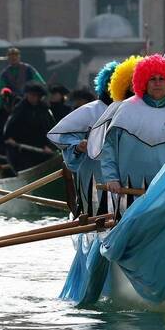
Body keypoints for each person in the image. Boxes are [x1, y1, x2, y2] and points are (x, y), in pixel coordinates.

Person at [100, 54, 165, 199]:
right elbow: (110, 147)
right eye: (152, 79)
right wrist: (111, 178)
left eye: (162, 78)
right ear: (144, 81)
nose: (157, 83)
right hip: (128, 192)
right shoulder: (127, 108)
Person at [48, 60, 117, 216]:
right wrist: (78, 145)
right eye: (112, 82)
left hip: (127, 178)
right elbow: (64, 136)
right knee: (96, 207)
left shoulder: (134, 109)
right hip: (94, 175)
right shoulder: (90, 111)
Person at [3, 82, 57, 172]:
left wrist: (49, 146)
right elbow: (9, 129)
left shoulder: (45, 109)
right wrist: (10, 138)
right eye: (31, 95)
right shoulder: (20, 109)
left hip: (43, 149)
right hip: (23, 151)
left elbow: (52, 128)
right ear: (27, 95)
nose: (34, 98)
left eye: (36, 95)